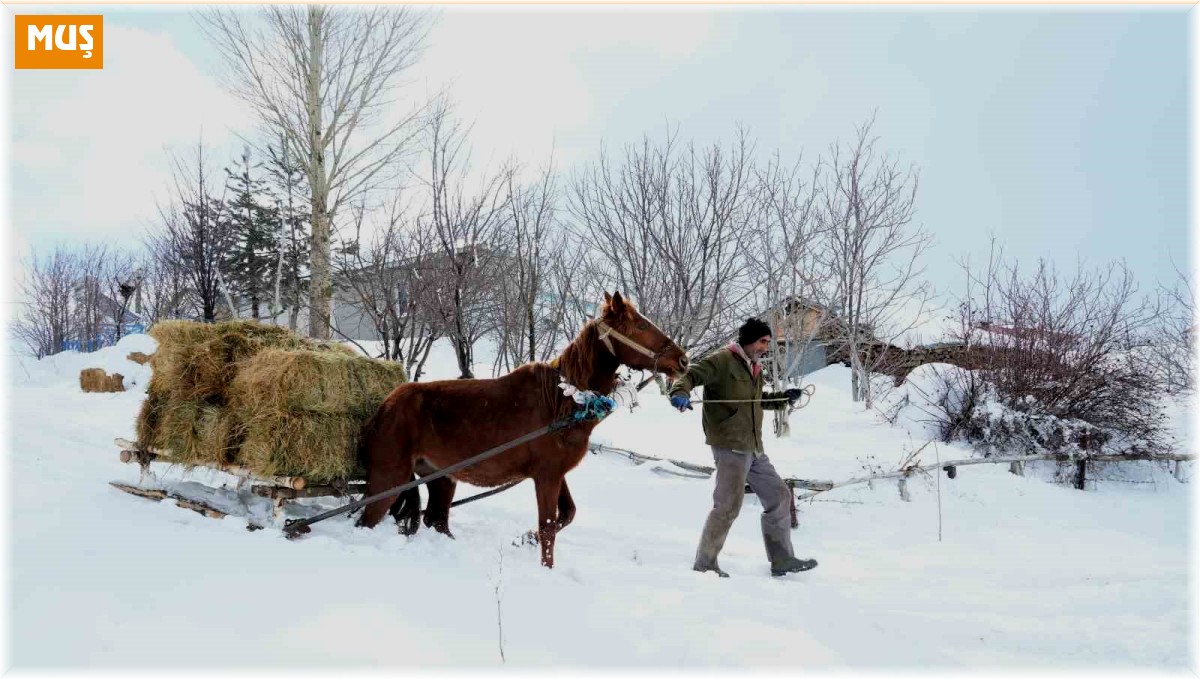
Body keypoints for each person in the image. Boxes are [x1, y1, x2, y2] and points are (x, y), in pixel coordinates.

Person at [668, 317, 818, 578]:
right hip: (730, 446)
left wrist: (784, 398)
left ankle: (782, 559)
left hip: (754, 448)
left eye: (768, 342)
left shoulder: (754, 368)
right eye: (762, 341)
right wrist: (678, 393)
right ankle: (705, 564)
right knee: (727, 506)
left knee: (779, 496)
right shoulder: (722, 360)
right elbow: (689, 375)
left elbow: (756, 402)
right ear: (748, 340)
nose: (765, 347)